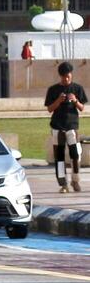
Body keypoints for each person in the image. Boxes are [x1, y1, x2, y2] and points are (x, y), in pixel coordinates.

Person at [45, 62, 87, 192]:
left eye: (68, 76)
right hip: (57, 127)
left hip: (72, 127)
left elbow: (82, 108)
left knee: (75, 154)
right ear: (60, 76)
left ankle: (75, 180)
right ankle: (63, 184)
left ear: (71, 75)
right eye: (64, 77)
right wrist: (58, 101)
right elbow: (49, 109)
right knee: (59, 156)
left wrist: (75, 101)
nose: (66, 79)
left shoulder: (77, 88)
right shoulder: (53, 90)